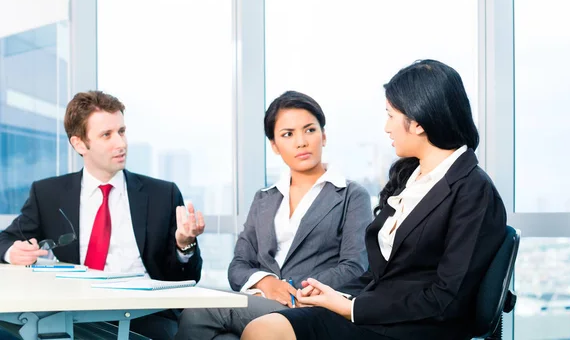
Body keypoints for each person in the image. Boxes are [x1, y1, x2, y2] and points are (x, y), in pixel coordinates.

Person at [241, 60, 508, 340]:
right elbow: (382, 274)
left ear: (417, 121)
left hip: (415, 327)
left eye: (391, 115)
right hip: (377, 314)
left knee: (265, 332)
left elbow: (448, 299)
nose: (386, 128)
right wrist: (338, 295)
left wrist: (354, 308)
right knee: (264, 327)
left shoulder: (473, 189)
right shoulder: (410, 177)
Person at [0, 90, 204, 339]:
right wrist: (14, 252)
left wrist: (185, 246)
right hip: (73, 312)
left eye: (121, 131)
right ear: (79, 144)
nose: (121, 143)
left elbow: (185, 278)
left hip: (144, 315)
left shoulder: (163, 194)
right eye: (106, 135)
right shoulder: (48, 194)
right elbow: (4, 241)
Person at [175, 91, 372, 339]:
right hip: (264, 301)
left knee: (199, 311)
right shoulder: (265, 198)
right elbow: (238, 266)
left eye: (309, 130)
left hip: (309, 306)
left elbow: (355, 266)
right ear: (274, 146)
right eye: (288, 134)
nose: (301, 142)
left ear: (324, 136)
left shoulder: (351, 195)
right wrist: (267, 283)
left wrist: (291, 289)